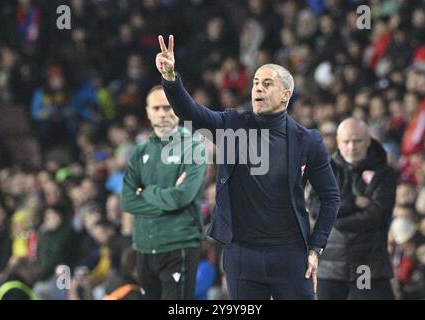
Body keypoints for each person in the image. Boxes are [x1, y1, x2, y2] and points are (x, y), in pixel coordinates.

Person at [155, 35, 340, 300]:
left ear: (286, 94)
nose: (257, 89)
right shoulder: (232, 124)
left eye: (267, 84)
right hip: (242, 255)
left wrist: (316, 247)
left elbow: (331, 197)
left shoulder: (307, 140)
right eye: (255, 83)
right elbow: (191, 113)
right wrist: (171, 79)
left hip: (290, 254)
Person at [121, 85, 207, 300]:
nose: (162, 114)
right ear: (148, 112)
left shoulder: (193, 148)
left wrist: (146, 191)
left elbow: (181, 198)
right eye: (156, 108)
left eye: (168, 108)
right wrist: (167, 199)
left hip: (179, 245)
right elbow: (128, 202)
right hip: (144, 247)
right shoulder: (139, 152)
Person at [317, 118, 398, 300]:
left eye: (357, 140)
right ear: (338, 142)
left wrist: (336, 219)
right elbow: (316, 207)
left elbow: (378, 214)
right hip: (330, 268)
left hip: (367, 266)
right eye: (346, 141)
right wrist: (353, 203)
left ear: (368, 141)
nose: (351, 146)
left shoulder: (385, 173)